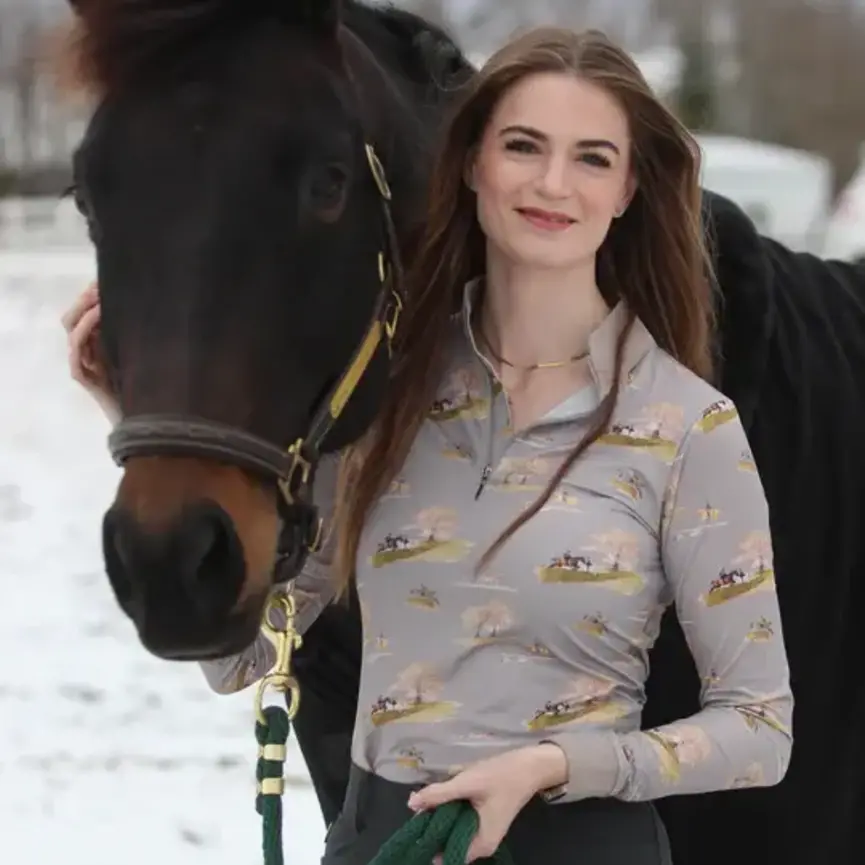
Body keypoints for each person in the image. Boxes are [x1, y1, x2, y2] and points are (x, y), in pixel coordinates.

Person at [63, 27, 794, 865]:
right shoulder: (393, 404)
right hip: (382, 842)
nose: (552, 183)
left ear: (628, 187)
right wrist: (138, 422)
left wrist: (555, 766)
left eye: (591, 158)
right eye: (522, 146)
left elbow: (757, 728)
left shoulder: (687, 426)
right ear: (473, 163)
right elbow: (245, 656)